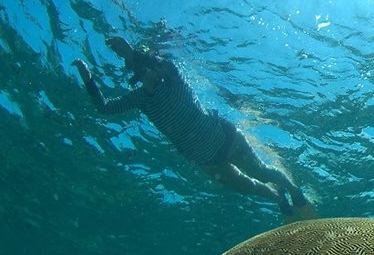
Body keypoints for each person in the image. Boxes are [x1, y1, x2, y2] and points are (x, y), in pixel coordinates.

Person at [72, 37, 315, 222]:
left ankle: (294, 191)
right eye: (141, 71)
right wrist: (88, 79)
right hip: (206, 160)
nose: (149, 72)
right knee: (246, 187)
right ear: (137, 75)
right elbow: (105, 108)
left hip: (225, 140)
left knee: (260, 172)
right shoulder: (140, 98)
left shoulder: (174, 79)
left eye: (149, 66)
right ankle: (278, 198)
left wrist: (130, 53)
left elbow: (166, 65)